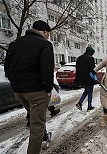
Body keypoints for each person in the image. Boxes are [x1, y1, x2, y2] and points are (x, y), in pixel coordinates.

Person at [4, 20, 54, 154]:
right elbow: (47, 70)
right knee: (36, 125)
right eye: (48, 33)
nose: (48, 36)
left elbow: (7, 69)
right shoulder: (45, 45)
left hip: (18, 91)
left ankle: (44, 137)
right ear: (44, 31)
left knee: (35, 115)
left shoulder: (14, 44)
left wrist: (16, 83)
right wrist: (48, 89)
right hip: (37, 91)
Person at [75, 46, 96, 111]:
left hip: (81, 79)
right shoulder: (90, 58)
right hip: (88, 79)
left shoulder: (79, 58)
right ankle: (89, 106)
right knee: (90, 92)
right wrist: (95, 78)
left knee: (86, 91)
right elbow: (93, 69)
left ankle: (80, 103)